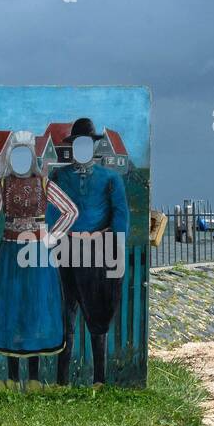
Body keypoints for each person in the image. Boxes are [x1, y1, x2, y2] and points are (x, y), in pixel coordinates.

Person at [0, 131, 78, 390]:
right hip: (10, 255)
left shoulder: (44, 184)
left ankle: (33, 380)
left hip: (37, 257)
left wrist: (52, 237)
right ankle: (11, 379)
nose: (21, 160)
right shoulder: (2, 185)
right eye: (16, 154)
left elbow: (71, 210)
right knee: (11, 311)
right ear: (10, 157)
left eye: (26, 154)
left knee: (35, 312)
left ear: (33, 157)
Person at [51, 117, 129, 386]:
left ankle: (99, 381)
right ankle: (62, 382)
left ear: (93, 146)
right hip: (66, 251)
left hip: (98, 253)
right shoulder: (59, 177)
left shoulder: (111, 179)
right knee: (66, 318)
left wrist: (112, 245)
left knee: (98, 318)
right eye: (78, 143)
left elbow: (120, 216)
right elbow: (51, 213)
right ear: (73, 147)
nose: (82, 148)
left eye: (87, 143)